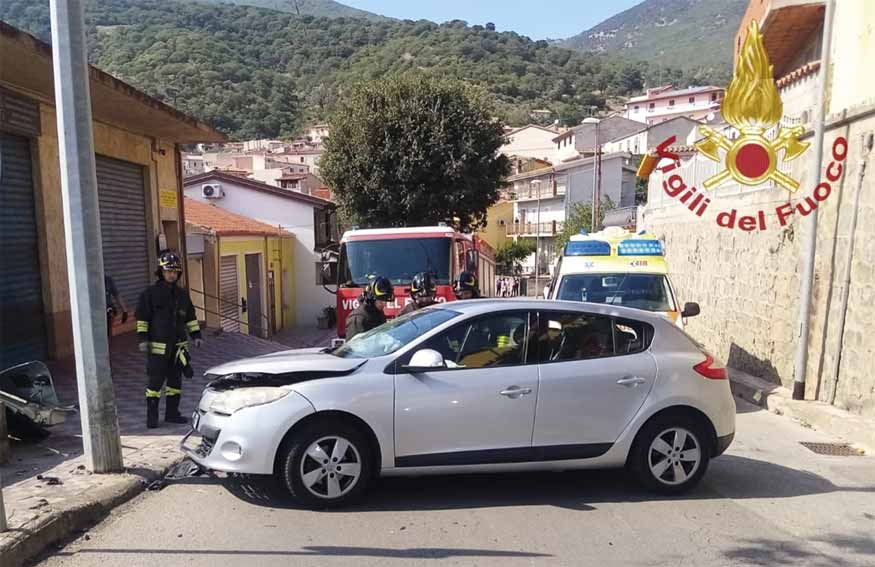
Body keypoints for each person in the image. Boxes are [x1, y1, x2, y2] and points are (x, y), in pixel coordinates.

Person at [136, 250, 203, 428]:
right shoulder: (149, 294)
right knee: (155, 383)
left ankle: (172, 414)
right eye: (168, 271)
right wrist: (143, 339)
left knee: (175, 382)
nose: (171, 275)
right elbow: (142, 319)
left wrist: (196, 336)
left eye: (174, 272)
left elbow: (190, 317)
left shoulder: (182, 295)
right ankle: (152, 418)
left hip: (178, 348)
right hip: (157, 348)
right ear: (161, 272)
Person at [346, 276, 393, 340]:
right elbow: (354, 347)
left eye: (386, 300)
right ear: (371, 299)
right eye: (381, 300)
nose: (384, 304)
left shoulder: (378, 313)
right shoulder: (358, 319)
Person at [105, 273, 129, 346]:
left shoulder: (108, 279)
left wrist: (125, 311)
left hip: (107, 311)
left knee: (108, 334)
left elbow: (117, 295)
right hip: (95, 314)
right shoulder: (89, 280)